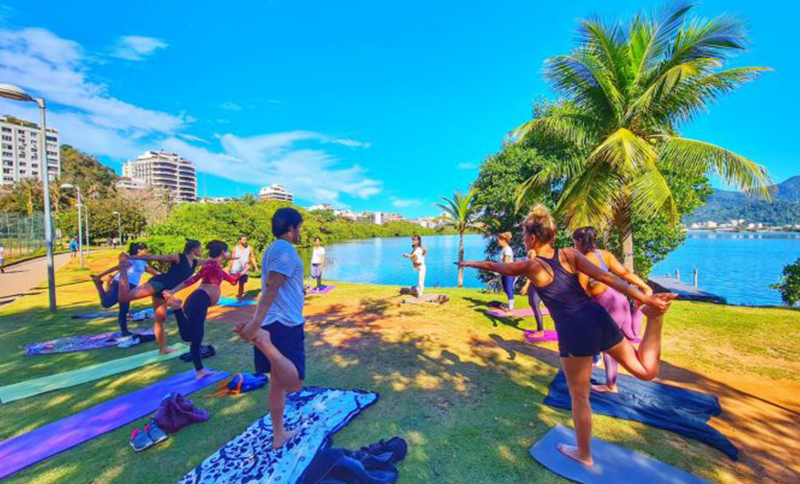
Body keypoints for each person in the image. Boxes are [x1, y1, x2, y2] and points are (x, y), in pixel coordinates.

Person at [459, 205, 675, 467]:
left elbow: (498, 267)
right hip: (598, 317)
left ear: (533, 238)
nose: (524, 239)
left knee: (579, 396)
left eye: (525, 235)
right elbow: (607, 277)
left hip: (575, 330)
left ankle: (583, 454)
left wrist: (471, 263)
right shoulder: (570, 254)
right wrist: (645, 296)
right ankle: (655, 318)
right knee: (645, 371)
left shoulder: (531, 265)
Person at [235, 208, 306, 450]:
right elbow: (272, 286)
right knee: (294, 383)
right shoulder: (285, 250)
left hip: (275, 321)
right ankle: (262, 341)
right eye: (299, 227)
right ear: (291, 227)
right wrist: (256, 324)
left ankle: (279, 434)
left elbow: (274, 285)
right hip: (283, 323)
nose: (300, 232)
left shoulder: (273, 249)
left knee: (277, 384)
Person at [572, 227, 652, 393]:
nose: (574, 245)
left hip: (608, 304)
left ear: (580, 241)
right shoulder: (604, 255)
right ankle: (639, 309)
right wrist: (645, 287)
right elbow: (625, 273)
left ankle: (611, 385)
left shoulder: (585, 260)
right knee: (631, 335)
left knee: (610, 346)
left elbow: (581, 289)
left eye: (574, 242)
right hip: (619, 300)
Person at [163, 240, 240, 379]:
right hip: (198, 300)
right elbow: (193, 279)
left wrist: (244, 270)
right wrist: (172, 291)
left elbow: (233, 280)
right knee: (194, 337)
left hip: (199, 301)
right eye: (227, 251)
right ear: (223, 252)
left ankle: (200, 371)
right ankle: (176, 308)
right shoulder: (211, 264)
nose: (228, 254)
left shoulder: (216, 266)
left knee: (192, 337)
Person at [118, 239, 203, 355]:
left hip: (164, 290)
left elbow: (213, 261)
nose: (201, 250)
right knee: (124, 298)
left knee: (160, 319)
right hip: (159, 283)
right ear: (194, 249)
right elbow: (155, 257)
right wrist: (130, 257)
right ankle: (122, 269)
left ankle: (162, 349)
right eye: (200, 248)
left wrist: (226, 257)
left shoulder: (195, 262)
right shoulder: (178, 257)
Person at [90, 242, 160, 338]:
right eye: (145, 249)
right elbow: (119, 266)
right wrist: (100, 275)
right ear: (139, 250)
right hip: (120, 283)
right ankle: (99, 285)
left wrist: (169, 276)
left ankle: (124, 331)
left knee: (124, 309)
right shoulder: (132, 259)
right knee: (106, 304)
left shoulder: (143, 262)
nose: (146, 251)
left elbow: (155, 273)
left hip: (130, 287)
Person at [520, 248, 545, 336]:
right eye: (529, 256)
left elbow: (531, 277)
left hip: (536, 285)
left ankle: (540, 331)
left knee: (534, 304)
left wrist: (525, 286)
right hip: (534, 285)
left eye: (531, 256)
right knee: (532, 303)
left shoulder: (537, 263)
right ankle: (540, 329)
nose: (530, 258)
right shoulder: (534, 262)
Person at [230, 235, 258, 300]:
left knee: (241, 284)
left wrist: (255, 267)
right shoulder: (235, 248)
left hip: (245, 269)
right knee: (233, 282)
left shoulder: (249, 248)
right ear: (239, 241)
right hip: (235, 269)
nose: (245, 241)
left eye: (246, 240)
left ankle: (240, 297)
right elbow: (232, 258)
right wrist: (229, 268)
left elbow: (252, 257)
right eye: (243, 240)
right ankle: (239, 294)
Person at [497, 232, 516, 313]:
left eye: (498, 240)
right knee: (506, 288)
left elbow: (506, 263)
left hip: (509, 273)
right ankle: (509, 304)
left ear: (503, 240)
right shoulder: (504, 249)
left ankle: (511, 307)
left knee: (508, 288)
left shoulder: (507, 249)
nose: (498, 241)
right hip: (505, 273)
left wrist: (500, 270)